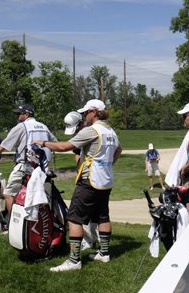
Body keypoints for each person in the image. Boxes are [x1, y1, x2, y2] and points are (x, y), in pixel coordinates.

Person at [33, 99, 122, 272]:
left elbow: (65, 146)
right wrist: (108, 164)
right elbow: (118, 150)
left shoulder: (92, 130)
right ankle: (104, 253)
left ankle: (74, 261)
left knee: (74, 218)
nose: (84, 116)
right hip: (106, 180)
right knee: (102, 216)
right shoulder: (110, 130)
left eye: (86, 112)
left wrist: (43, 143)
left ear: (94, 112)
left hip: (89, 181)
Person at [0, 104, 57, 217]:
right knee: (41, 195)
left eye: (19, 113)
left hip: (25, 166)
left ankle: (12, 224)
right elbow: (54, 142)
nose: (17, 116)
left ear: (27, 114)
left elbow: (5, 144)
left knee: (9, 194)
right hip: (44, 168)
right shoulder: (43, 126)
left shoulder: (22, 126)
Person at [64, 110, 99, 251]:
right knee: (97, 213)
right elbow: (77, 154)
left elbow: (68, 148)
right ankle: (95, 242)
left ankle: (81, 248)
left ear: (81, 123)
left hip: (88, 178)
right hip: (97, 178)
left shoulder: (87, 132)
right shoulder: (93, 131)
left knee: (75, 216)